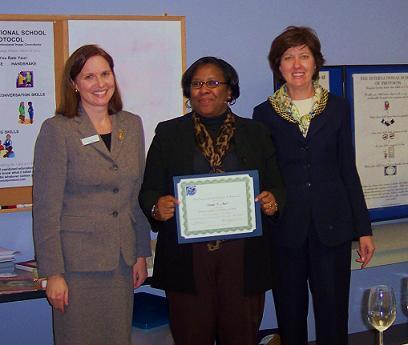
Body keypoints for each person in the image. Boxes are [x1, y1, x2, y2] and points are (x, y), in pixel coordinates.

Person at [139, 56, 285, 345]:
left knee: (241, 337)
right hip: (187, 262)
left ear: (229, 91)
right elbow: (148, 190)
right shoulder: (168, 133)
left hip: (243, 259)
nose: (204, 89)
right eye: (196, 84)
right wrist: (158, 206)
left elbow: (277, 185)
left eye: (213, 83)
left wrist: (273, 200)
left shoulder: (255, 132)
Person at [252, 26, 375, 345]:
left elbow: (348, 169)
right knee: (290, 316)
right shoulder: (263, 114)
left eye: (304, 56)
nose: (296, 64)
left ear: (316, 62)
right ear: (278, 66)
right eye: (288, 57)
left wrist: (363, 229)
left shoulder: (337, 107)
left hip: (332, 227)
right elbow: (265, 174)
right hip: (285, 230)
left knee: (333, 316)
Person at [33, 44, 151, 345]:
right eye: (89, 77)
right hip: (76, 267)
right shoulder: (57, 130)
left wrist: (140, 253)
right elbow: (46, 209)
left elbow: (134, 193)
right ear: (74, 84)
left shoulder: (131, 124)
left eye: (105, 74)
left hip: (121, 262)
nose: (100, 84)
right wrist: (52, 273)